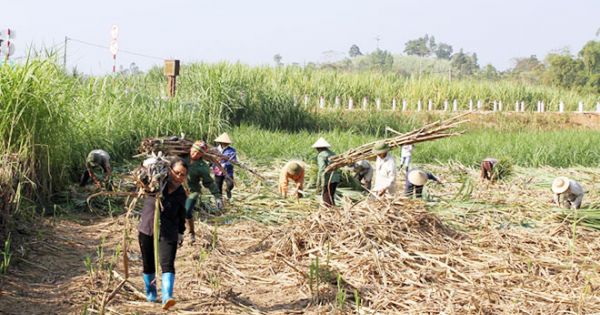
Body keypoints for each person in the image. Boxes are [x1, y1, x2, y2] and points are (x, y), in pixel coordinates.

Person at [138, 157, 187, 310]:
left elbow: (181, 216)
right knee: (148, 263)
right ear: (169, 170)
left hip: (168, 232)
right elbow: (142, 179)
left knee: (167, 264)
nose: (179, 177)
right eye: (177, 173)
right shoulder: (156, 185)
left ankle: (167, 296)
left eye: (183, 175)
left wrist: (181, 233)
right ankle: (151, 294)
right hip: (147, 228)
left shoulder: (181, 194)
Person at [185, 141, 223, 244]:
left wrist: (217, 196)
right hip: (178, 188)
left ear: (202, 154)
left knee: (187, 210)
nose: (195, 154)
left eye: (199, 153)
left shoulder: (202, 166)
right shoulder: (182, 157)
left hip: (193, 191)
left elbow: (209, 182)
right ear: (191, 148)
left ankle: (191, 233)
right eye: (194, 151)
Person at [313, 137, 341, 207]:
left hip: (327, 179)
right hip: (336, 178)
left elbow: (322, 169)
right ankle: (334, 210)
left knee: (326, 197)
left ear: (319, 148)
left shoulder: (321, 155)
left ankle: (329, 213)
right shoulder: (333, 153)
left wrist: (318, 182)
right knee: (331, 196)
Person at [212, 133, 236, 202]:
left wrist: (227, 163)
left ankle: (228, 190)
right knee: (218, 185)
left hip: (228, 170)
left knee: (230, 184)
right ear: (220, 142)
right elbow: (212, 158)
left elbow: (233, 160)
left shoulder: (232, 150)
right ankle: (219, 200)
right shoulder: (215, 149)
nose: (225, 144)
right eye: (224, 142)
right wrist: (211, 164)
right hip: (218, 170)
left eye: (226, 143)